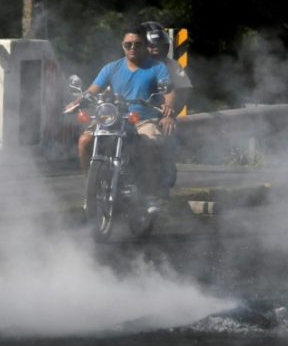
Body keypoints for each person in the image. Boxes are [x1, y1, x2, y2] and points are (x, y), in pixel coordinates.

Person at [66, 24, 176, 212]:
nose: (132, 48)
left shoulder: (157, 67)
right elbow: (92, 90)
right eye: (128, 44)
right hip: (112, 116)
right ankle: (92, 190)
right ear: (122, 45)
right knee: (84, 140)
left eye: (137, 44)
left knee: (149, 143)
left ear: (144, 45)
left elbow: (169, 90)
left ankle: (150, 195)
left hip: (143, 119)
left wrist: (168, 112)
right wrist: (75, 102)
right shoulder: (112, 68)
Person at [140, 21, 194, 194]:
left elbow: (184, 90)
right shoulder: (129, 64)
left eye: (159, 46)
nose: (155, 50)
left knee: (164, 143)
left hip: (158, 116)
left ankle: (160, 191)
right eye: (151, 46)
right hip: (130, 115)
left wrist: (169, 115)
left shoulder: (171, 66)